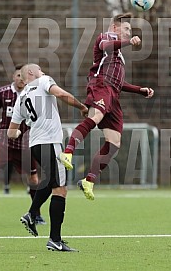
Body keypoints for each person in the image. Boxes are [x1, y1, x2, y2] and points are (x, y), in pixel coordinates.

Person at [59, 12, 154, 200]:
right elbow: (106, 46)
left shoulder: (119, 58)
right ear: (115, 28)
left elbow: (119, 83)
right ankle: (67, 152)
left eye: (130, 30)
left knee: (114, 142)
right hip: (101, 85)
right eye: (126, 29)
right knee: (95, 117)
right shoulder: (106, 37)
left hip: (113, 94)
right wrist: (128, 42)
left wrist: (139, 90)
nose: (128, 32)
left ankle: (89, 180)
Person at [7, 63, 88, 252]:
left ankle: (32, 214)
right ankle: (54, 239)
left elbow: (11, 132)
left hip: (35, 144)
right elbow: (61, 94)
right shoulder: (43, 81)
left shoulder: (21, 98)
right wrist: (82, 107)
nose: (43, 72)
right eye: (41, 69)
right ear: (31, 73)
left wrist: (21, 133)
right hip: (50, 142)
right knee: (60, 189)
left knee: (51, 182)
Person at [0, 64, 45, 226]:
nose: (21, 79)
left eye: (23, 76)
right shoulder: (3, 93)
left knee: (33, 179)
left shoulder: (33, 94)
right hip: (3, 143)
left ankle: (36, 214)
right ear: (14, 77)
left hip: (25, 145)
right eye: (18, 75)